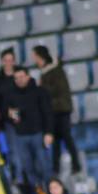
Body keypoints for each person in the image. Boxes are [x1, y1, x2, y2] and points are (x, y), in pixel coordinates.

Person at [4, 67, 53, 194]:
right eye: (16, 78)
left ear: (28, 76)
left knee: (44, 166)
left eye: (21, 77)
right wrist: (11, 115)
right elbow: (8, 113)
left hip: (38, 134)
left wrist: (49, 132)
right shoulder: (10, 95)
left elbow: (48, 113)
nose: (19, 80)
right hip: (20, 136)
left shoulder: (39, 92)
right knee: (28, 168)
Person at [32, 46, 79, 174]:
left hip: (61, 109)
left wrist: (41, 89)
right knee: (56, 141)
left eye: (34, 56)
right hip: (53, 110)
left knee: (66, 137)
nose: (33, 59)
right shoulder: (45, 71)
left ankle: (76, 165)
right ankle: (56, 169)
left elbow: (58, 90)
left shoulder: (55, 70)